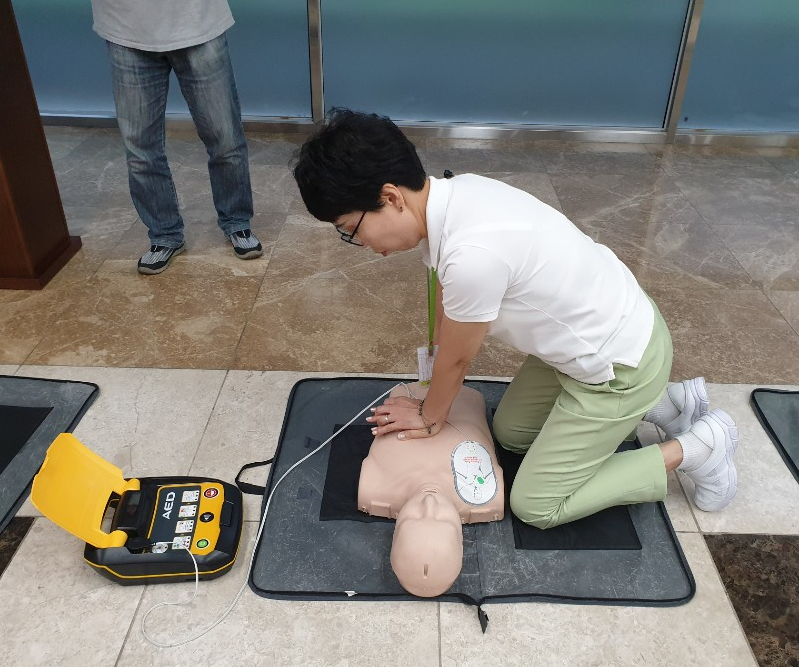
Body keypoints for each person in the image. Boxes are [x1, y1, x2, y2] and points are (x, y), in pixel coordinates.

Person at [293, 109, 740, 531]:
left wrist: (429, 417)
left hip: (620, 367)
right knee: (510, 435)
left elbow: (458, 359)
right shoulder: (458, 193)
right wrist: (432, 389)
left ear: (391, 197)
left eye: (350, 230)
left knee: (536, 505)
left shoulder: (473, 254)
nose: (361, 244)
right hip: (609, 329)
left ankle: (698, 448)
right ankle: (665, 404)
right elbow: (449, 305)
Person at [91, 0, 262, 275]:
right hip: (125, 27)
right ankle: (164, 234)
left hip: (198, 22)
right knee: (140, 150)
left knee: (225, 138)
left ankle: (237, 221)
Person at [358, 382, 505, 597]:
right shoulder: (488, 495)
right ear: (461, 541)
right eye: (442, 520)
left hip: (408, 395)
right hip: (466, 399)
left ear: (395, 533)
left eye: (414, 518)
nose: (429, 503)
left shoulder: (373, 487)